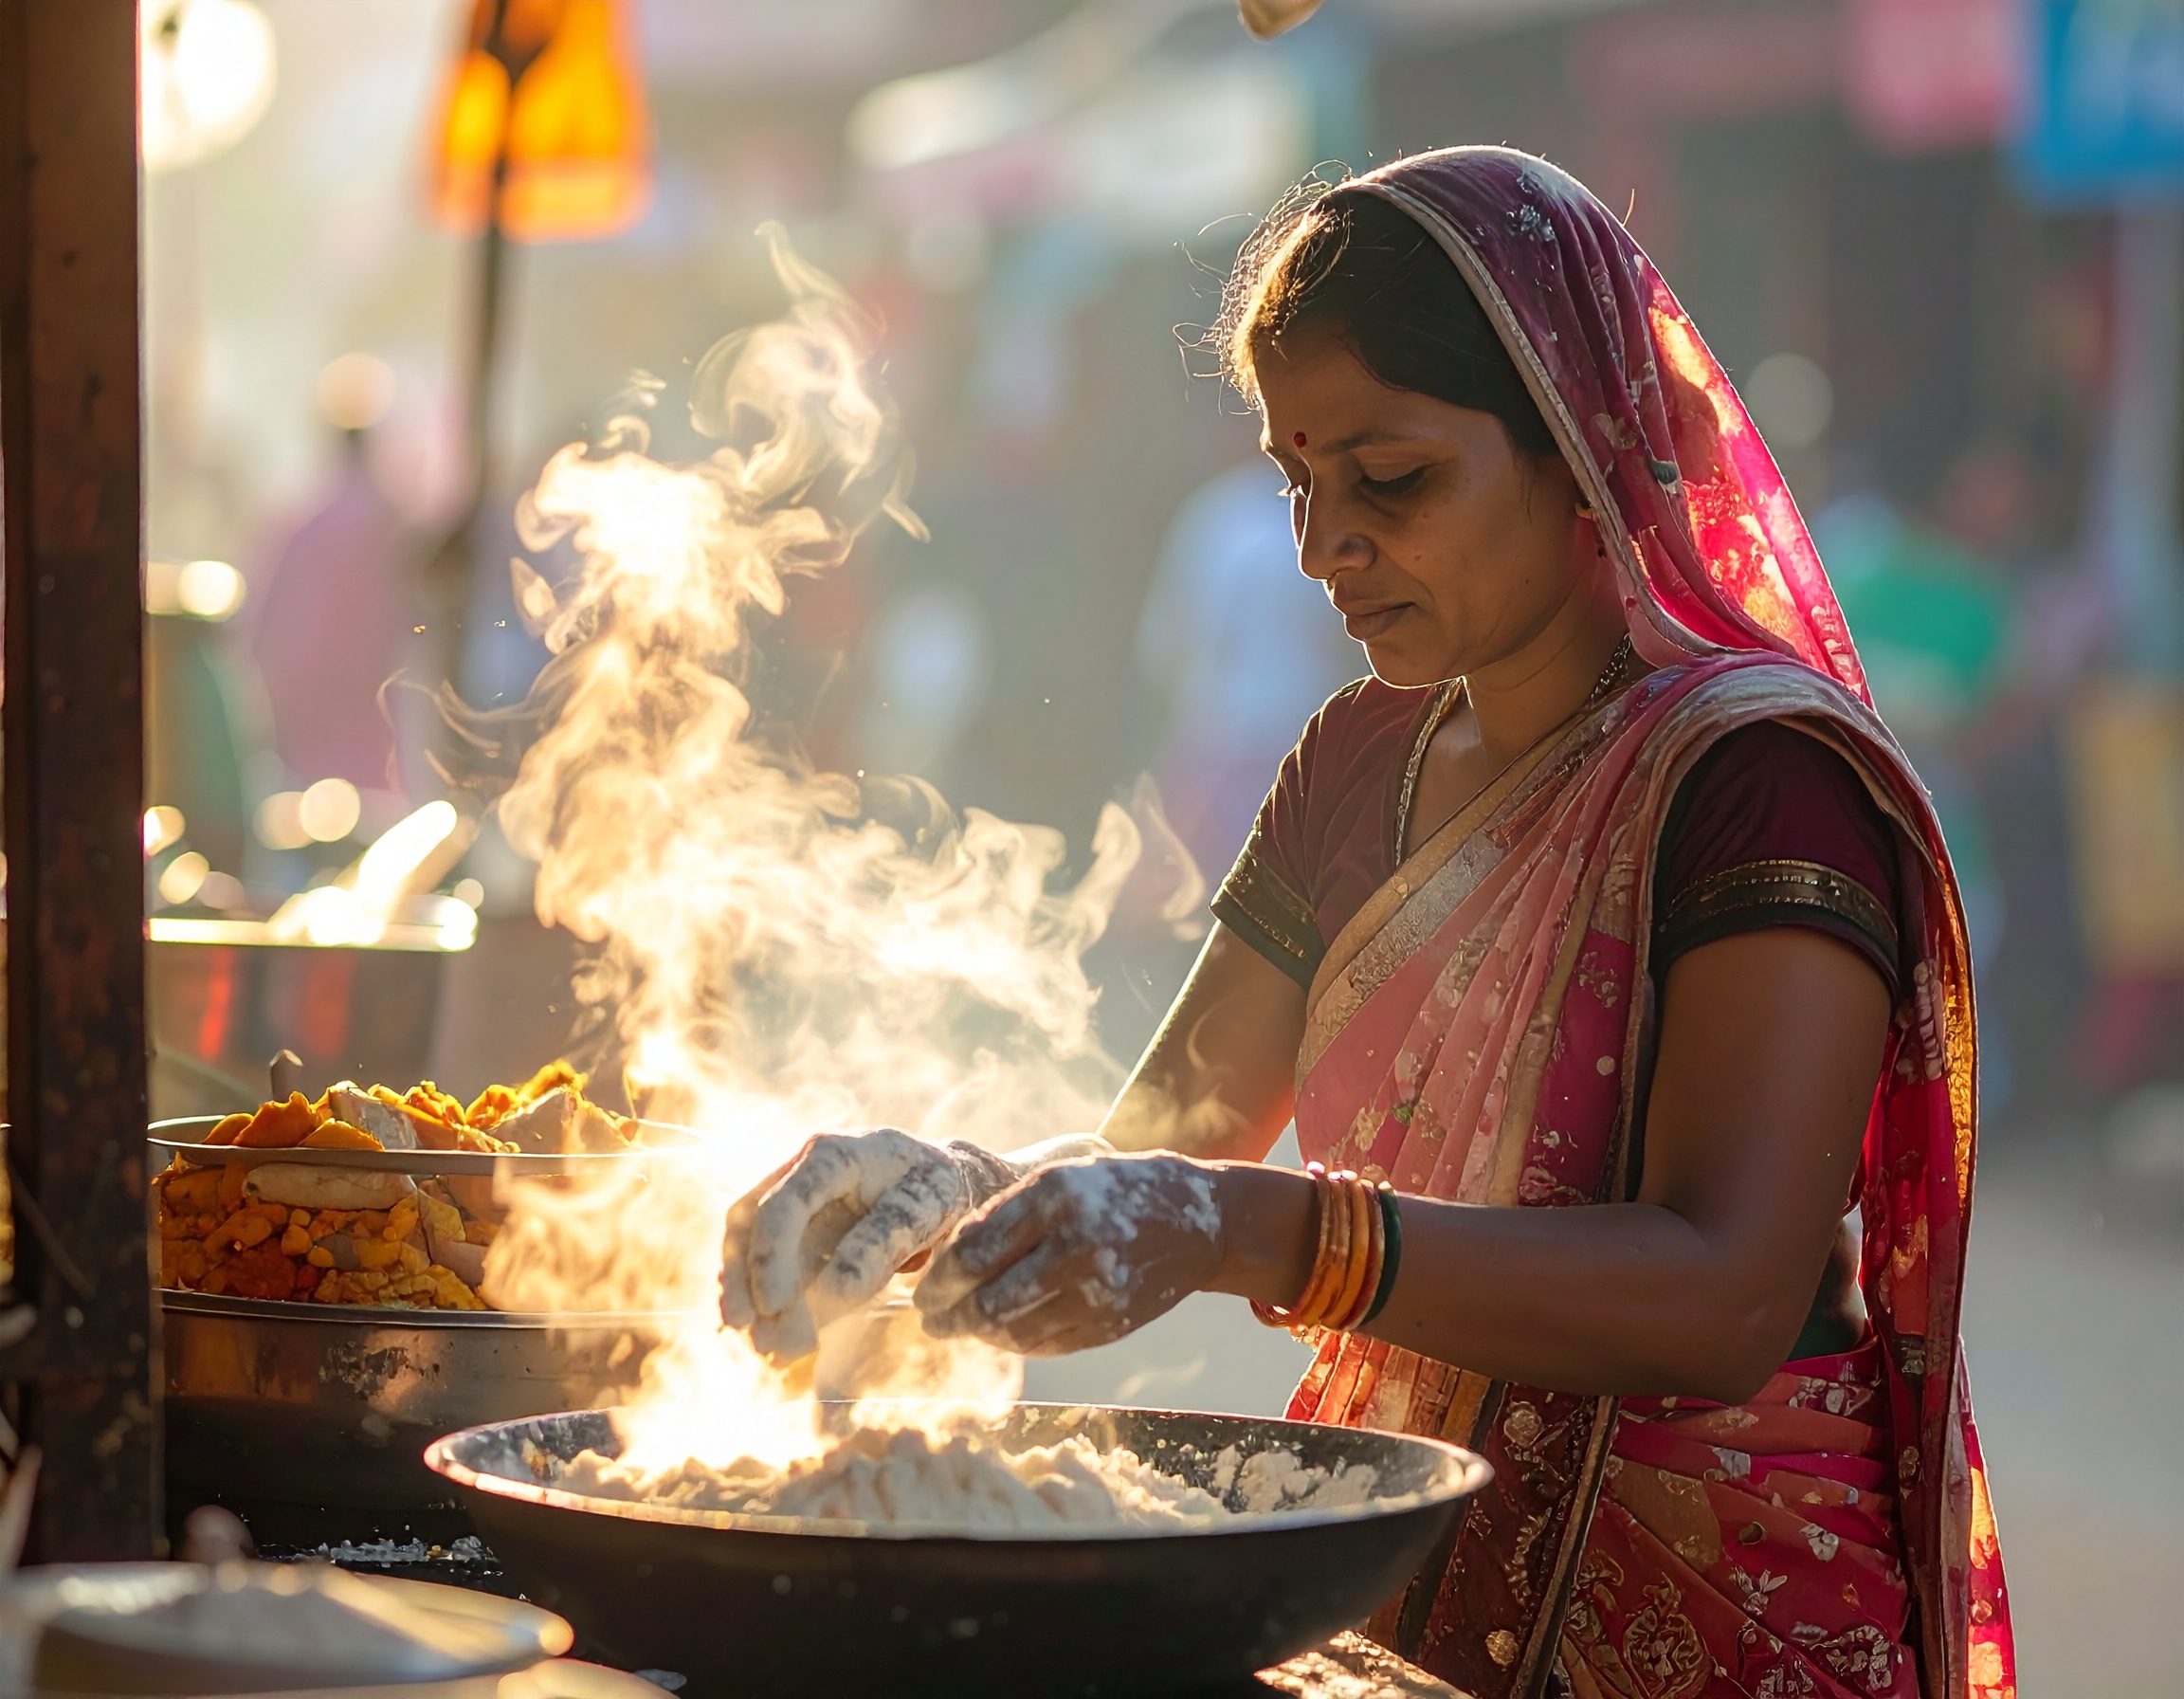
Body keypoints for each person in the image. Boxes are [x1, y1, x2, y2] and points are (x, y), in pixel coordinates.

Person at [719, 150, 2013, 1699]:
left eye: (1390, 481)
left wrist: (1250, 1227)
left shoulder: (1758, 783)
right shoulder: (1355, 763)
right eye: (1298, 480)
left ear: (1585, 446)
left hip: (1720, 1621)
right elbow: (1161, 1139)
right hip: (1397, 1567)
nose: (1324, 547)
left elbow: (1725, 1294)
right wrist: (936, 1196)